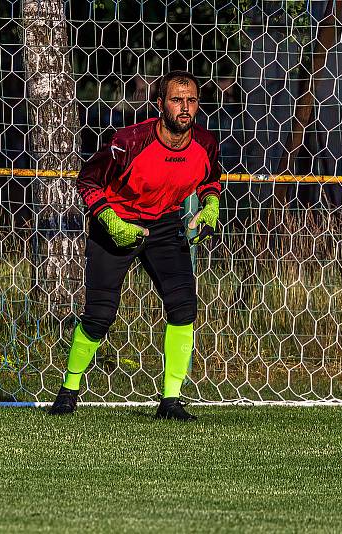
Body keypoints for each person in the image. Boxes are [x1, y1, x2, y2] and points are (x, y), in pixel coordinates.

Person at [48, 70, 221, 421]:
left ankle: (170, 402)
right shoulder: (129, 142)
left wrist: (211, 206)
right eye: (176, 100)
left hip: (164, 225)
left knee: (184, 306)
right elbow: (88, 180)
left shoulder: (206, 142)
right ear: (160, 105)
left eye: (191, 101)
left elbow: (210, 179)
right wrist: (111, 221)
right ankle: (68, 391)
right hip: (116, 225)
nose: (184, 108)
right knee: (100, 316)